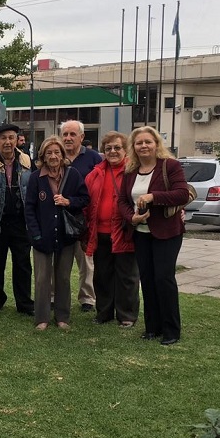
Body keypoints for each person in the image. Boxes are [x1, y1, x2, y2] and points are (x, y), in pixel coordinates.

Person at [118, 126, 189, 346]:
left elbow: (182, 194)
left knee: (164, 279)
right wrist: (132, 218)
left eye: (148, 142)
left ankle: (171, 330)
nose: (143, 146)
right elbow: (121, 201)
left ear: (156, 144)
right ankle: (152, 327)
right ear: (133, 147)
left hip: (167, 232)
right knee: (147, 280)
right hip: (141, 233)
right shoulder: (130, 171)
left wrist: (153, 196)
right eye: (139, 143)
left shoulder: (170, 166)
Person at [25, 136, 89, 330]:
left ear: (62, 155)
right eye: (49, 153)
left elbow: (84, 198)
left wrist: (69, 201)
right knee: (42, 278)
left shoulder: (73, 174)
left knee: (63, 277)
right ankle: (42, 318)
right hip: (42, 236)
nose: (53, 156)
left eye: (57, 152)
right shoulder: (36, 177)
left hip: (66, 236)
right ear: (43, 156)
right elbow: (29, 208)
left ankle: (62, 316)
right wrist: (35, 235)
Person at [84, 132, 140, 327]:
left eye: (117, 147)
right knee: (102, 275)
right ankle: (104, 312)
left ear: (125, 150)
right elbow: (87, 202)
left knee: (127, 276)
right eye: (108, 148)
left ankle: (126, 315)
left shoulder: (133, 172)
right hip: (100, 232)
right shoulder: (95, 173)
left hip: (124, 231)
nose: (113, 151)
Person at [0, 123, 34, 315]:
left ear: (17, 140)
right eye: (3, 138)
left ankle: (24, 302)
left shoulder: (27, 161)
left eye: (11, 137)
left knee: (23, 264)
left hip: (21, 222)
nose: (8, 142)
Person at [60, 120, 103, 313]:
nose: (68, 138)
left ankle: (87, 298)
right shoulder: (55, 155)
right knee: (60, 261)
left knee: (86, 261)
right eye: (65, 134)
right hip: (59, 219)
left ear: (82, 137)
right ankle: (56, 296)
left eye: (72, 134)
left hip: (85, 219)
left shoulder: (94, 158)